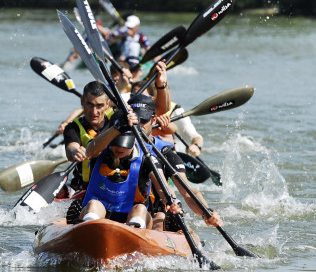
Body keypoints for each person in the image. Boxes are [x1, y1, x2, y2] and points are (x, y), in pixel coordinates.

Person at [77, 93, 223, 230]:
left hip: (147, 211)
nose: (139, 126)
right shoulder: (110, 142)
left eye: (144, 120)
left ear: (153, 120)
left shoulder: (163, 153)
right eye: (136, 120)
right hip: (101, 209)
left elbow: (187, 192)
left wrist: (206, 212)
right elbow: (90, 151)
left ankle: (138, 232)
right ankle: (89, 229)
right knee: (94, 205)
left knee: (154, 215)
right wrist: (117, 126)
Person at [62, 81, 114, 192]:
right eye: (90, 104)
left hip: (113, 184)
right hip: (83, 186)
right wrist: (74, 152)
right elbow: (71, 148)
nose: (94, 112)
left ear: (108, 104)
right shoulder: (73, 127)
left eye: (99, 106)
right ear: (82, 101)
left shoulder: (116, 120)